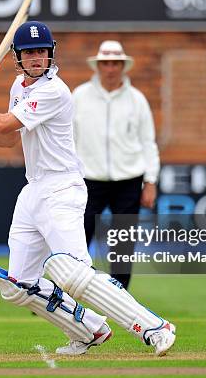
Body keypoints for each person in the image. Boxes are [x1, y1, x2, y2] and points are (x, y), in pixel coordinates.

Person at [0, 21, 176, 356]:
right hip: (34, 190)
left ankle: (154, 327)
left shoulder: (54, 90)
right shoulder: (18, 87)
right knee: (17, 286)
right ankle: (88, 330)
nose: (37, 58)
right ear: (19, 57)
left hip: (62, 188)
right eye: (30, 52)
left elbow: (4, 122)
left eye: (42, 52)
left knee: (72, 273)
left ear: (50, 54)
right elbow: (10, 138)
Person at [72, 40, 160, 290]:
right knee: (78, 239)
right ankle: (68, 291)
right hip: (89, 179)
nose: (110, 68)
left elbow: (148, 142)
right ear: (98, 66)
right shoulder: (79, 96)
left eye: (115, 63)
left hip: (128, 180)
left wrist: (150, 181)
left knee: (123, 243)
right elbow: (67, 139)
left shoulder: (137, 100)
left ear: (123, 66)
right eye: (106, 63)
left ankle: (119, 296)